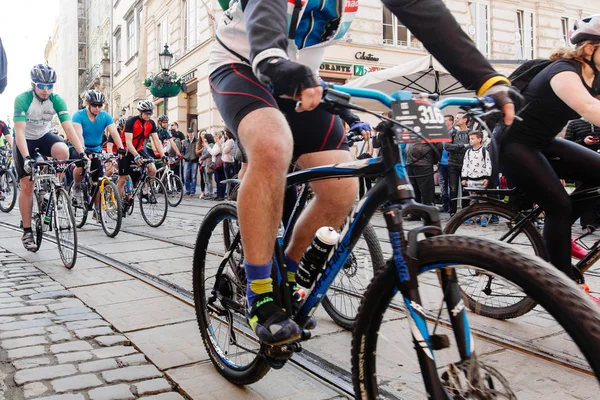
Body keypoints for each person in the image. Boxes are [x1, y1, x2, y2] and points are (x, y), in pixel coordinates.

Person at [210, 0, 520, 345]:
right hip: (244, 67)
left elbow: (425, 12)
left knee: (342, 191)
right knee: (271, 147)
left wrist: (488, 81)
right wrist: (270, 58)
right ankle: (261, 291)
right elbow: (265, 8)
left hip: (303, 79)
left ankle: (289, 275)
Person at [497, 15, 600, 303]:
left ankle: (561, 233)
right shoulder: (564, 72)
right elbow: (591, 109)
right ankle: (564, 289)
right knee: (559, 206)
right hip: (514, 144)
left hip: (543, 142)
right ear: (590, 49)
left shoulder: (597, 75)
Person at [13, 64, 87, 250]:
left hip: (44, 135)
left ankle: (54, 186)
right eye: (41, 86)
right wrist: (27, 157)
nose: (45, 90)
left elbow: (68, 129)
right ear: (33, 84)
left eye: (49, 86)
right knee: (27, 186)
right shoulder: (23, 99)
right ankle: (28, 230)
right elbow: (20, 132)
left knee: (63, 150)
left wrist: (82, 153)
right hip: (24, 140)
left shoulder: (56, 100)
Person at [71, 90, 125, 216]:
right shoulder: (78, 115)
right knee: (81, 166)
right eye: (94, 105)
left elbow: (114, 132)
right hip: (79, 146)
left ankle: (97, 209)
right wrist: (83, 150)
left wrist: (121, 147)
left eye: (100, 105)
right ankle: (77, 185)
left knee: (98, 180)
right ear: (88, 104)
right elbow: (78, 134)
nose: (97, 108)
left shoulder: (105, 116)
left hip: (96, 148)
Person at [118, 101, 166, 198]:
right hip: (127, 149)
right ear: (140, 112)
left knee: (152, 169)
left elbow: (156, 140)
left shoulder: (151, 123)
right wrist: (136, 156)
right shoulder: (131, 121)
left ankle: (145, 191)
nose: (149, 115)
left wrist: (163, 156)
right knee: (123, 178)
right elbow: (128, 142)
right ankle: (119, 204)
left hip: (139, 149)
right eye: (146, 113)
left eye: (150, 113)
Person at [565, 118, 600, 230]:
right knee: (585, 193)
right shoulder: (574, 123)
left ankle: (596, 221)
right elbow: (567, 143)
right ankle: (588, 222)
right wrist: (583, 142)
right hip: (581, 162)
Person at [461, 130, 492, 226]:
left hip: (481, 179)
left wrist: (487, 177)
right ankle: (473, 216)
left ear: (479, 139)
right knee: (473, 199)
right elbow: (465, 164)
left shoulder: (484, 151)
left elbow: (488, 164)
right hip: (471, 179)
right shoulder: (468, 152)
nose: (471, 140)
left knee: (483, 199)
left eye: (473, 138)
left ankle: (484, 217)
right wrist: (464, 177)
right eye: (470, 138)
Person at [445, 112, 471, 216]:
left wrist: (455, 147)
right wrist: (461, 146)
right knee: (453, 189)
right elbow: (446, 146)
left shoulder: (471, 132)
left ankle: (465, 213)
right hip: (452, 164)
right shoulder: (452, 133)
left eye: (458, 118)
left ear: (465, 119)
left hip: (466, 164)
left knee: (465, 189)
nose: (456, 120)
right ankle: (452, 212)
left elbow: (471, 147)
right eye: (455, 118)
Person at [182, 127, 200, 195]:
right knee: (186, 176)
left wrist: (197, 157)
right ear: (187, 133)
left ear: (193, 133)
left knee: (193, 176)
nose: (190, 134)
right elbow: (183, 151)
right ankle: (187, 190)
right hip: (187, 161)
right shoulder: (185, 142)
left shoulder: (197, 141)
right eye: (189, 132)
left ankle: (193, 190)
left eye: (191, 132)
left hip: (194, 161)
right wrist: (184, 156)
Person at [200, 133, 215, 199]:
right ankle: (208, 192)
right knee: (206, 179)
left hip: (208, 163)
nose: (204, 139)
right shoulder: (206, 145)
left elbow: (208, 153)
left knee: (209, 179)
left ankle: (210, 192)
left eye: (205, 138)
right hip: (204, 163)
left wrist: (202, 157)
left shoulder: (211, 145)